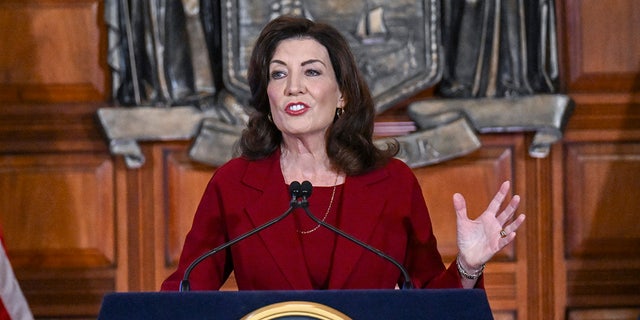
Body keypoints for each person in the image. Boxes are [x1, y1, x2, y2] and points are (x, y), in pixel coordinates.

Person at [161, 15, 525, 291]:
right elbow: (186, 293)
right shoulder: (234, 184)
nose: (293, 88)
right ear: (267, 96)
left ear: (342, 95)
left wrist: (468, 265)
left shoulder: (393, 184)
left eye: (312, 72)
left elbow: (429, 304)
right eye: (278, 74)